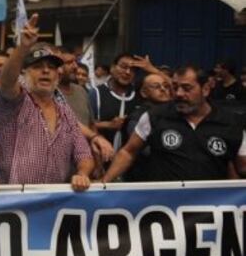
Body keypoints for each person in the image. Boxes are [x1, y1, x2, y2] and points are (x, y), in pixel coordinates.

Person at [97, 65, 246, 183]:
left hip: (212, 210)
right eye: (175, 87)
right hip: (166, 211)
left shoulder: (231, 123)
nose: (179, 93)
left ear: (205, 89)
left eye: (187, 88)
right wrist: (105, 182)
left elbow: (242, 167)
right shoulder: (154, 117)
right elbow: (128, 152)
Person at [0, 15, 94, 190]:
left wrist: (83, 173)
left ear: (58, 74)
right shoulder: (16, 101)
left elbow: (83, 152)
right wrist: (23, 46)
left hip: (54, 203)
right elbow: (6, 80)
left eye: (51, 67)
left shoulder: (65, 111)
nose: (46, 71)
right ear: (24, 71)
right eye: (38, 66)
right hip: (14, 200)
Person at [90, 53, 138, 150]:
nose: (128, 72)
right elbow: (84, 125)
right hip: (102, 156)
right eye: (124, 67)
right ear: (112, 68)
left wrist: (152, 69)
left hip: (132, 160)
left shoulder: (139, 94)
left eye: (133, 69)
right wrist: (108, 125)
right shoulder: (96, 93)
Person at [124, 72, 172, 139]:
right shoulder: (137, 118)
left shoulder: (174, 112)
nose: (163, 89)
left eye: (166, 86)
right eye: (156, 86)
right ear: (143, 92)